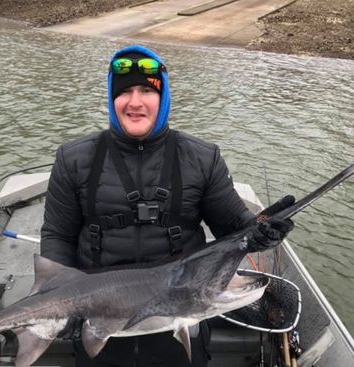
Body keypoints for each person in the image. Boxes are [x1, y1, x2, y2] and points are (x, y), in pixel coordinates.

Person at [40, 44, 294, 367]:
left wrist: (262, 227)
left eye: (146, 89)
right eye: (125, 92)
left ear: (163, 97)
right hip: (98, 325)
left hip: (181, 329)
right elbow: (58, 237)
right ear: (111, 97)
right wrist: (62, 304)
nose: (134, 102)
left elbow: (235, 229)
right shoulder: (73, 159)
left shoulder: (202, 159)